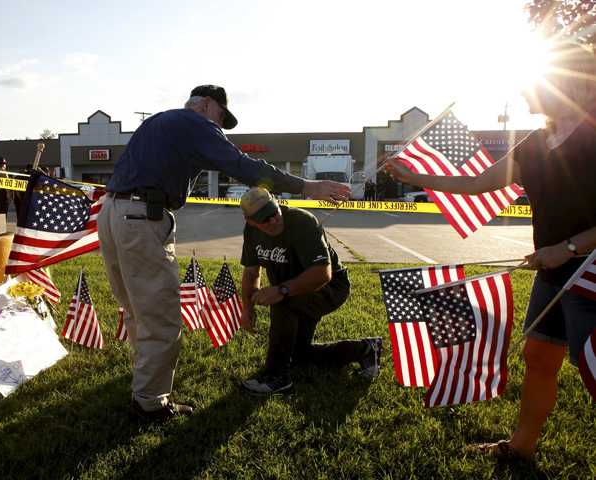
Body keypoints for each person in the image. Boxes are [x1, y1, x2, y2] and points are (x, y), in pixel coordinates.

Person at [383, 42, 596, 459]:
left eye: (533, 84)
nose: (522, 93)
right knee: (537, 357)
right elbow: (478, 184)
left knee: (592, 369)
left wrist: (568, 247)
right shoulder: (538, 141)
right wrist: (414, 175)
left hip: (589, 275)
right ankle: (521, 447)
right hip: (553, 273)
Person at [100, 84, 351, 422]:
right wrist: (306, 186)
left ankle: (144, 383)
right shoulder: (195, 124)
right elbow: (243, 166)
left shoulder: (156, 122)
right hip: (142, 218)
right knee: (161, 317)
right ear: (205, 104)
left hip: (112, 213)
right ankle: (149, 404)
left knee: (135, 309)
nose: (219, 127)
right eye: (220, 117)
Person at [238, 187, 382, 394]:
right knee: (298, 355)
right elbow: (251, 272)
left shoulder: (302, 222)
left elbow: (323, 273)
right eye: (264, 219)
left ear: (277, 202)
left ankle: (276, 378)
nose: (272, 221)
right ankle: (365, 350)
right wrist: (248, 307)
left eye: (274, 213)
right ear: (250, 220)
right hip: (296, 291)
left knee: (283, 301)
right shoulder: (251, 232)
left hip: (330, 288)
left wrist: (282, 289)